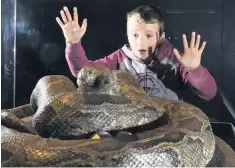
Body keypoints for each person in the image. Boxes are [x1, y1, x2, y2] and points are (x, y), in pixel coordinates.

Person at [56, 5, 217, 101]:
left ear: (160, 37)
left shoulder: (175, 61)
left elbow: (209, 93)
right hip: (128, 131)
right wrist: (73, 43)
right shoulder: (118, 58)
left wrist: (195, 69)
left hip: (168, 128)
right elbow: (83, 73)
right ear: (127, 34)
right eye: (135, 35)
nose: (140, 43)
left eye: (148, 35)